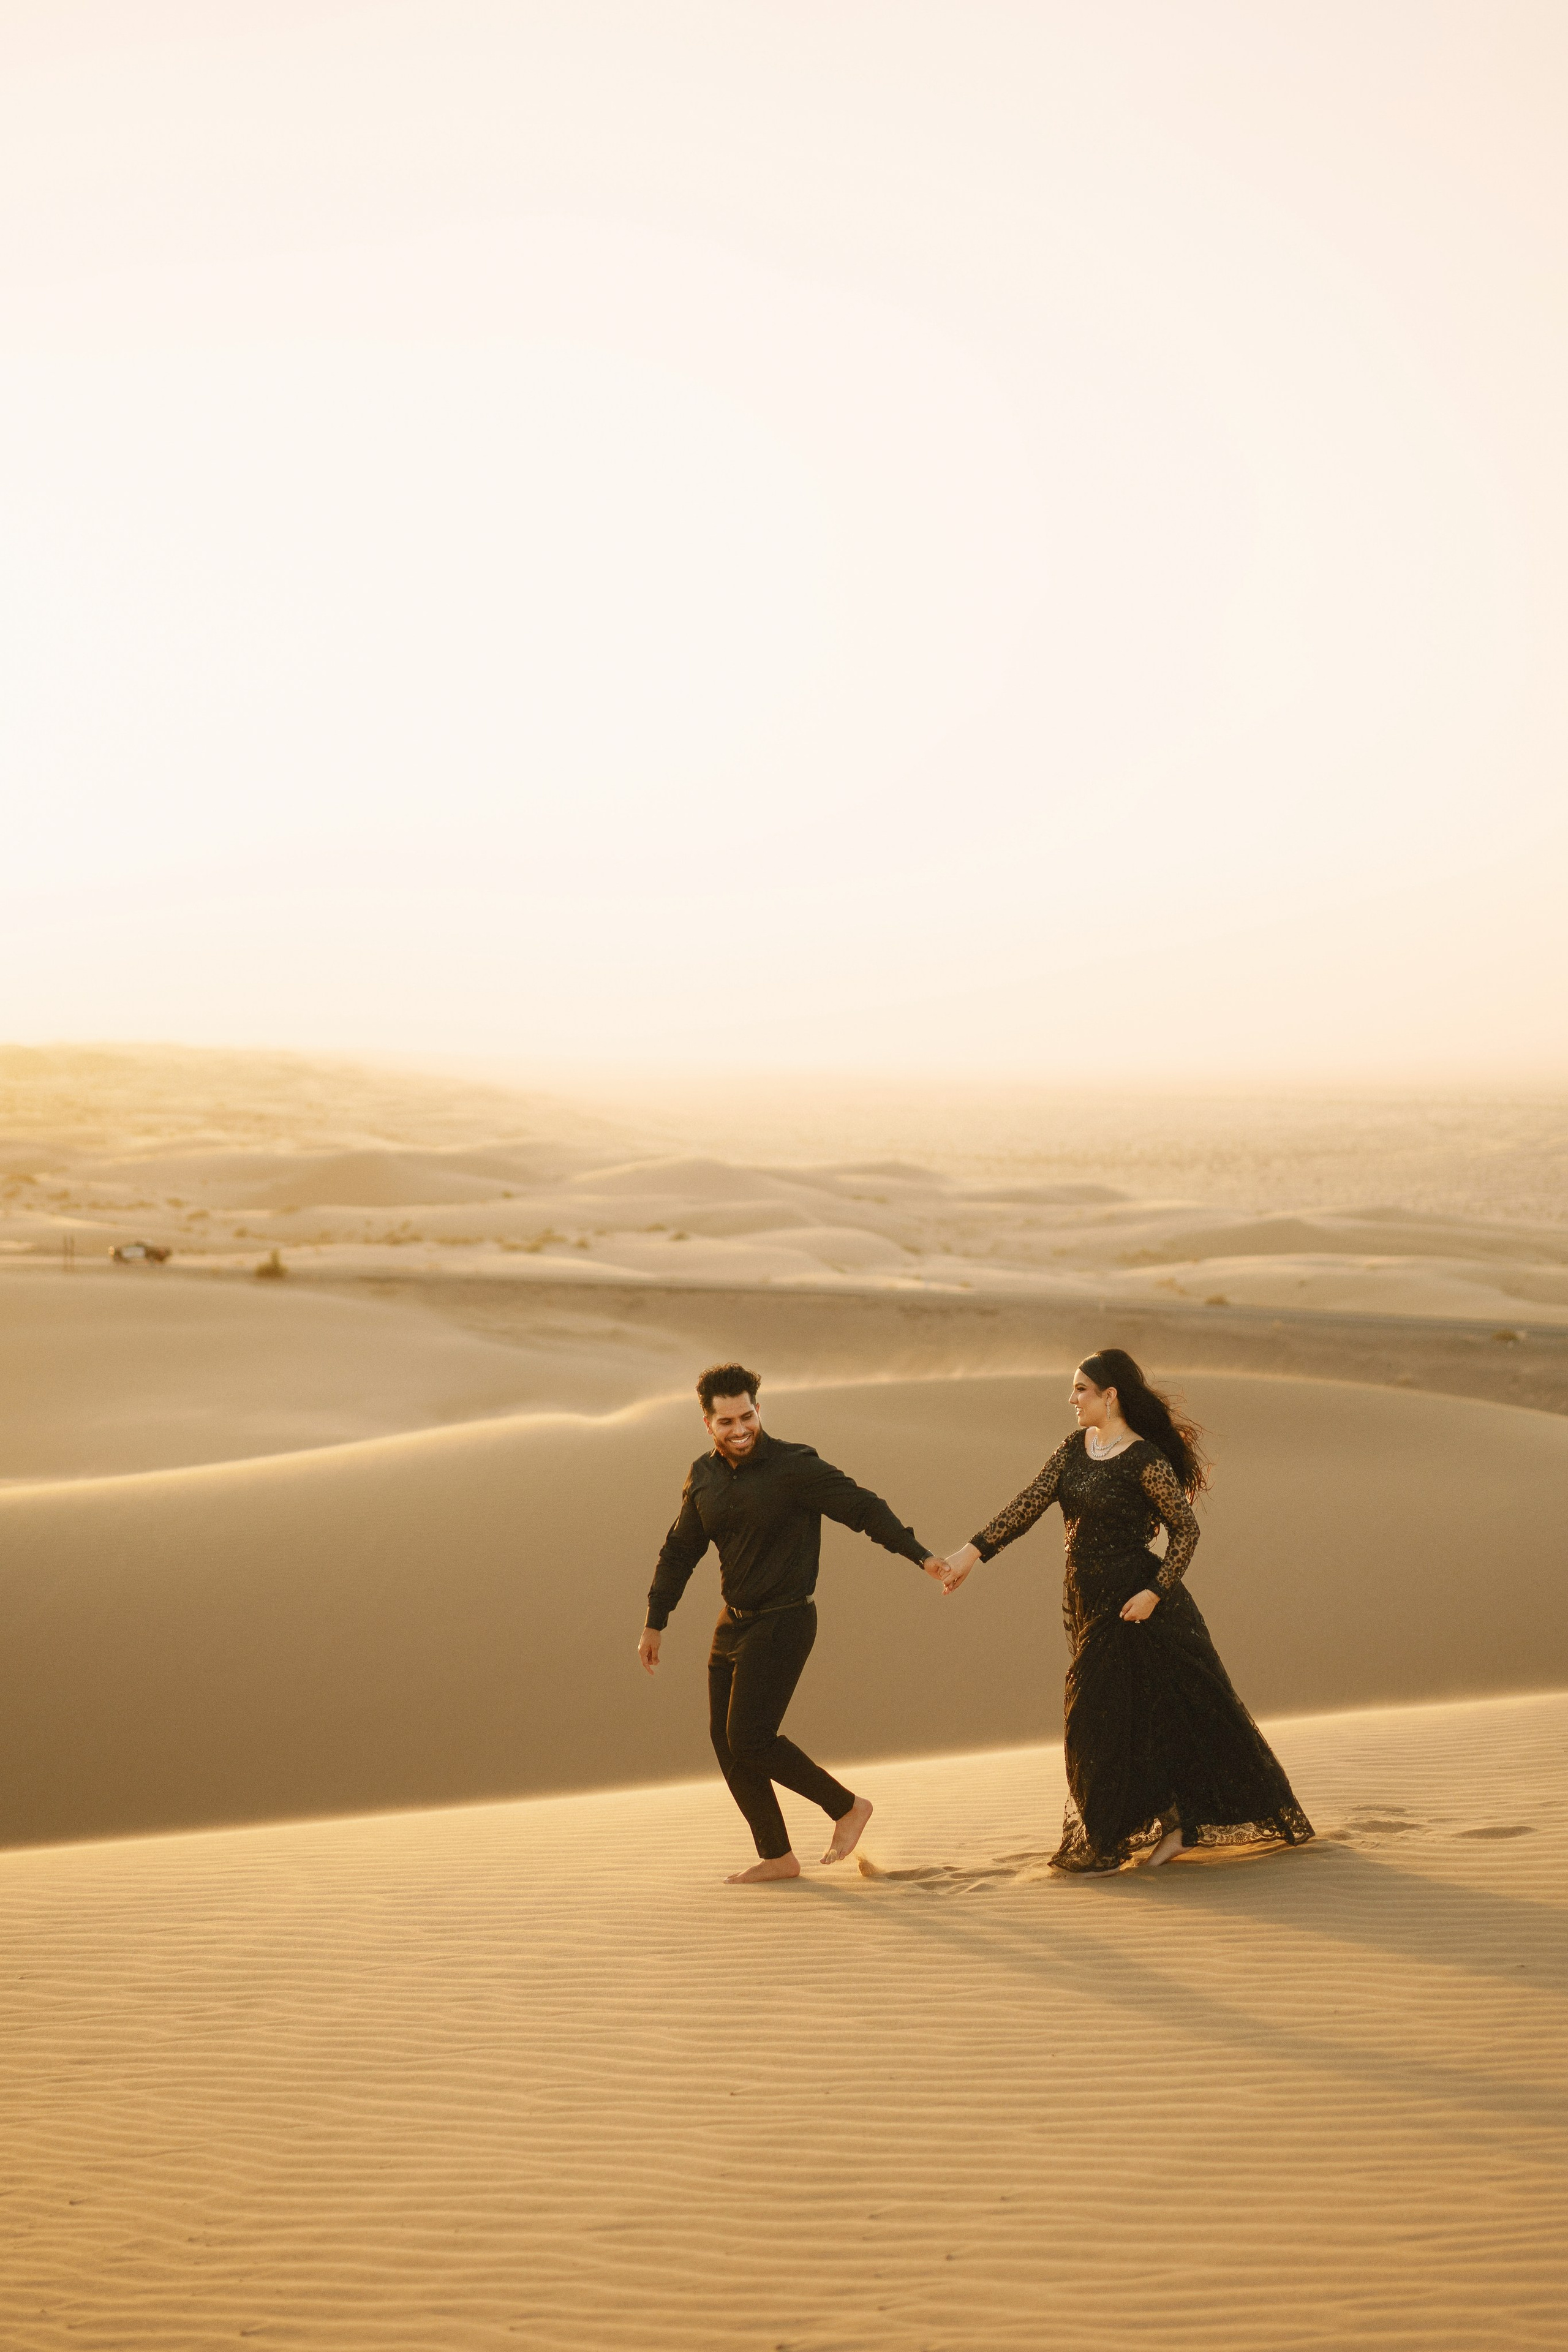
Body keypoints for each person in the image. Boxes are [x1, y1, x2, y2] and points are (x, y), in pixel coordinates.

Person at [939, 1348, 1313, 1874]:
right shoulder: (1074, 1448)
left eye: (1081, 1390)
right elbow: (1029, 1502)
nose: (1071, 1399)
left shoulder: (1144, 1460)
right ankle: (1172, 1825)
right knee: (1135, 1721)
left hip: (1137, 1606)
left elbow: (1187, 1530)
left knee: (1096, 1720)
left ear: (1109, 1395)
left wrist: (1156, 1591)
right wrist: (970, 1554)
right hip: (1088, 1602)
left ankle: (1108, 1842)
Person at [639, 1362, 946, 1883]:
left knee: (751, 1738)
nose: (740, 1430)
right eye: (726, 1422)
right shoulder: (703, 1475)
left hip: (785, 1620)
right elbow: (679, 1551)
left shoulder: (794, 1466)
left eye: (747, 1416)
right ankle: (777, 1855)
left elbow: (863, 1508)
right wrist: (655, 1620)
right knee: (726, 1742)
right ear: (707, 1424)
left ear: (760, 1410)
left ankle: (847, 1807)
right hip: (731, 1623)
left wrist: (921, 1556)